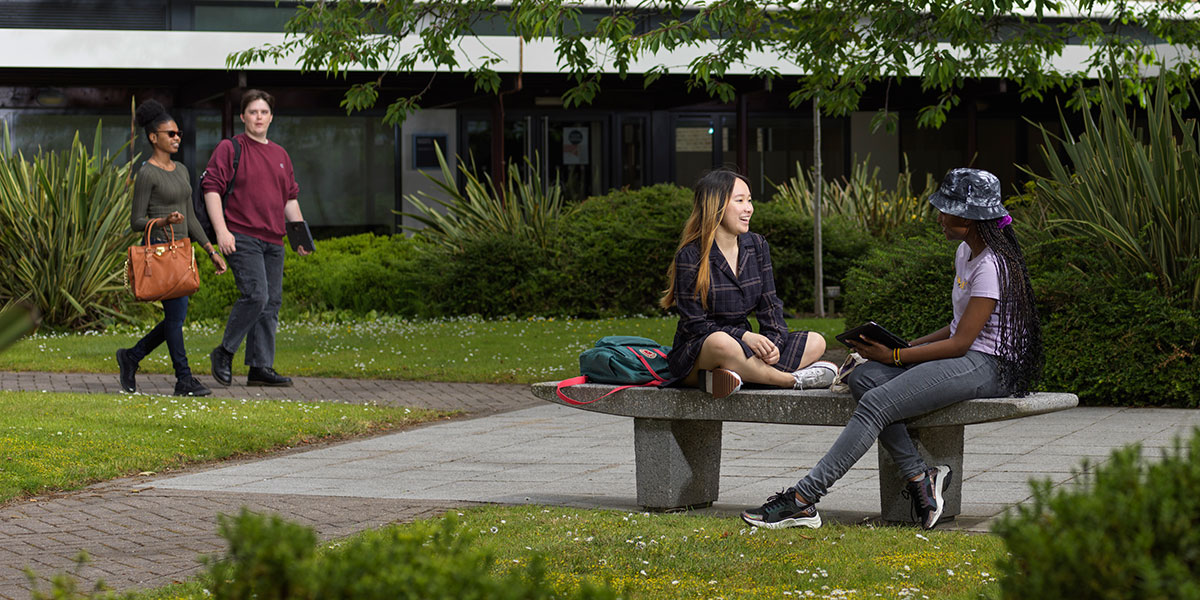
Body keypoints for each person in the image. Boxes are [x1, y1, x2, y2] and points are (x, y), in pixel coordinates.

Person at [741, 168, 1043, 531]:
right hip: (966, 355)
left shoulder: (992, 264)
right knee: (866, 377)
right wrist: (901, 346)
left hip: (989, 365)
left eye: (946, 211)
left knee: (876, 403)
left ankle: (804, 499)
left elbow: (963, 342)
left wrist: (895, 357)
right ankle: (921, 478)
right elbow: (956, 325)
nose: (939, 217)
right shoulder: (966, 252)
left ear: (970, 219)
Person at [660, 168, 837, 399]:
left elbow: (770, 305)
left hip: (745, 350)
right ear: (717, 205)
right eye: (740, 201)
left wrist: (773, 345)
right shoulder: (691, 255)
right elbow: (696, 326)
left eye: (750, 200)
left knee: (816, 341)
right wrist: (744, 337)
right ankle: (788, 380)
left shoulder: (756, 246)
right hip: (701, 350)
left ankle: (735, 376)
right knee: (722, 343)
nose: (749, 208)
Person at [117, 99, 228, 397]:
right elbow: (136, 221)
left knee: (174, 319)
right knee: (176, 318)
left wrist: (210, 250)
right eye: (170, 134)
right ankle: (184, 379)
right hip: (159, 249)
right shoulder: (147, 173)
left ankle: (131, 356)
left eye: (178, 133)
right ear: (154, 137)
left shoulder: (180, 170)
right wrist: (164, 219)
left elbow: (190, 215)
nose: (177, 137)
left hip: (182, 249)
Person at [202, 89, 309, 388]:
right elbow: (212, 188)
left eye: (263, 112)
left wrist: (299, 234)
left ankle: (260, 368)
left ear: (271, 117)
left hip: (274, 239)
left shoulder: (280, 155)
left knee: (271, 302)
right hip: (242, 235)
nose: (258, 117)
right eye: (253, 112)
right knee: (256, 295)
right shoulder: (230, 148)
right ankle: (224, 353)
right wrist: (222, 231)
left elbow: (290, 198)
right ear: (242, 116)